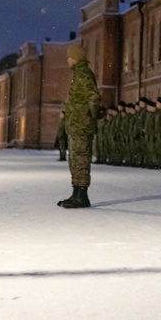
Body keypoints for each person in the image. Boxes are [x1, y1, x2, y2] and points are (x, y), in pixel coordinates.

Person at [58, 43, 101, 209]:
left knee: (81, 159)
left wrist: (90, 116)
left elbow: (94, 97)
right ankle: (76, 193)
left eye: (70, 57)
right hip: (76, 125)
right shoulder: (78, 74)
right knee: (75, 159)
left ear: (75, 58)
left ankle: (82, 195)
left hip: (81, 126)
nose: (68, 60)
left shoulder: (84, 74)